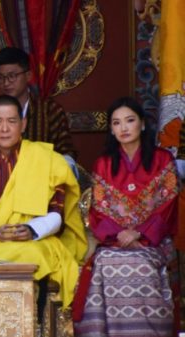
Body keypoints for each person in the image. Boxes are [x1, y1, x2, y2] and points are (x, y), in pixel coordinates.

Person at [0, 94, 87, 309]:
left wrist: (30, 229)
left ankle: (37, 320)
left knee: (34, 255)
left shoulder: (47, 160)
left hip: (33, 240)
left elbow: (57, 211)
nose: (5, 129)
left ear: (23, 124)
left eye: (12, 121)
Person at [73, 97, 178, 337]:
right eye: (117, 123)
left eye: (129, 121)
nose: (124, 128)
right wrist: (119, 233)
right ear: (111, 129)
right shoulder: (103, 164)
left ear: (141, 124)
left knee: (142, 265)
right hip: (115, 241)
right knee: (106, 263)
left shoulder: (162, 160)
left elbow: (168, 204)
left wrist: (140, 232)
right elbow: (99, 208)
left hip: (153, 240)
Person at [0, 47, 77, 174]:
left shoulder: (50, 111)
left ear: (28, 75)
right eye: (1, 77)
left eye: (12, 76)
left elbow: (66, 155)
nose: (6, 83)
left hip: (41, 184)